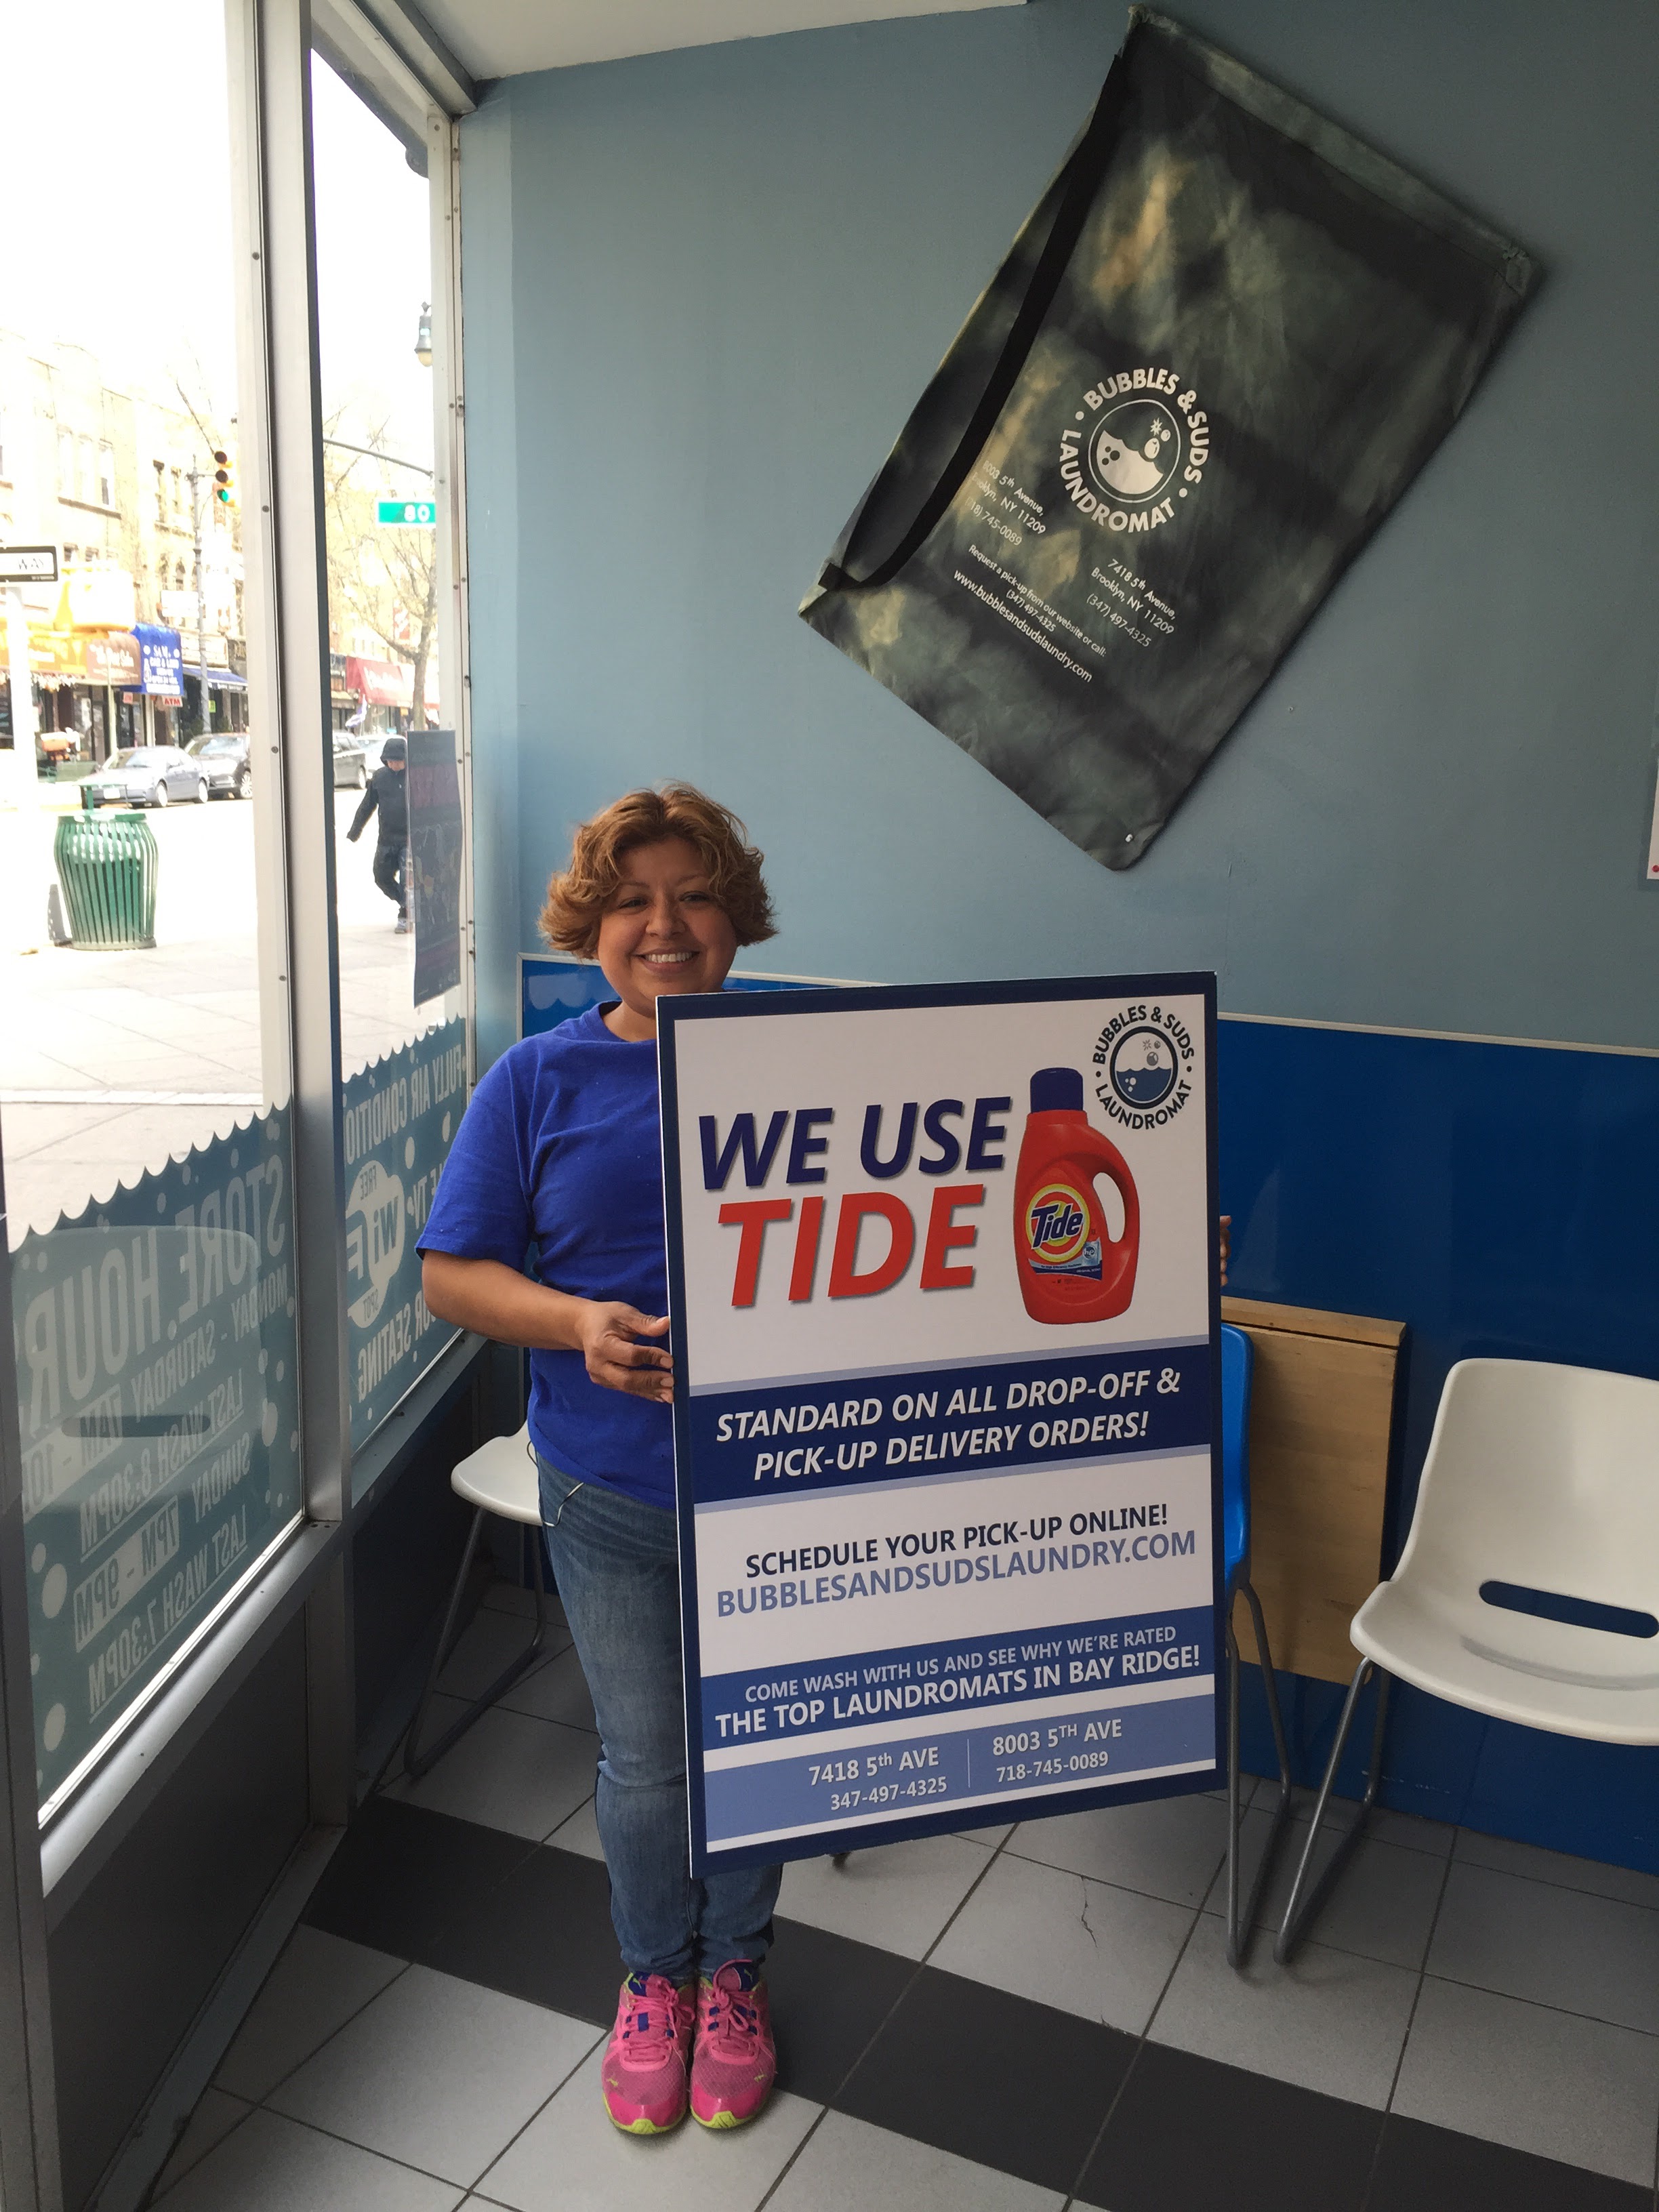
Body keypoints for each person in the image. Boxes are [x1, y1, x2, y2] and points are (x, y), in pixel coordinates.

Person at [419, 783, 782, 2139]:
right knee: (647, 1763)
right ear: (595, 927)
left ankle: (737, 1969)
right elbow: (454, 1279)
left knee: (755, 1743)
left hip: (781, 1489)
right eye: (634, 900)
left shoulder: (820, 1058)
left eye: (693, 895)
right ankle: (656, 1976)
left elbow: (977, 1223)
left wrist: (1155, 1251)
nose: (666, 924)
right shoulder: (536, 1080)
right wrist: (576, 1324)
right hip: (612, 1483)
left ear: (733, 915)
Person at [346, 733, 410, 930]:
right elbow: (367, 805)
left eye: (398, 761)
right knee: (381, 877)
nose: (394, 765)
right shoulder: (380, 778)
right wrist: (355, 830)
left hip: (410, 840)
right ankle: (407, 904)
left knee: (407, 880)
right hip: (387, 839)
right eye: (390, 761)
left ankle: (405, 916)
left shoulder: (416, 777)